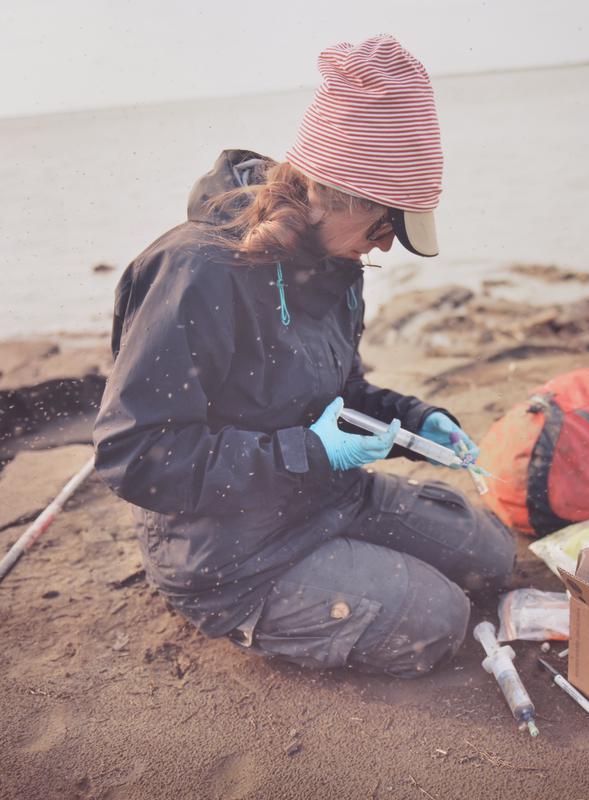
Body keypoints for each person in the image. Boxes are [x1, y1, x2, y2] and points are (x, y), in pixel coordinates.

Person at [93, 34, 515, 678]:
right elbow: (137, 456)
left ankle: (352, 554)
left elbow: (338, 390)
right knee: (438, 623)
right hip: (224, 545)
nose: (385, 249)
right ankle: (238, 605)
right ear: (333, 194)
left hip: (324, 492)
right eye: (382, 227)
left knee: (492, 553)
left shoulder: (335, 263)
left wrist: (412, 421)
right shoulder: (196, 271)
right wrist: (310, 451)